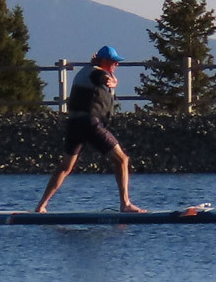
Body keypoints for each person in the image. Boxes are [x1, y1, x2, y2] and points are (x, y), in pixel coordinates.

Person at [35, 46, 144, 213]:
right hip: (90, 124)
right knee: (122, 159)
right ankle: (125, 204)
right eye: (114, 62)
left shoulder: (85, 71)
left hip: (74, 124)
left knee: (65, 167)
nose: (116, 65)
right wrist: (112, 81)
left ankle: (41, 205)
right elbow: (102, 78)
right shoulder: (96, 73)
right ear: (104, 61)